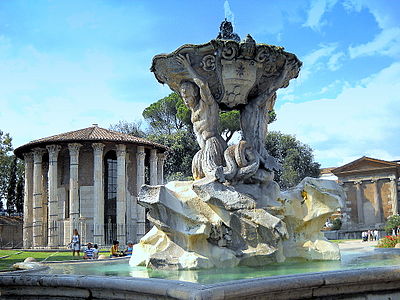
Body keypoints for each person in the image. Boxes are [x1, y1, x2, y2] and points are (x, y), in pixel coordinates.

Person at [176, 54, 227, 181]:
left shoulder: (207, 104)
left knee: (212, 178)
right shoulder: (193, 112)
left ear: (195, 93)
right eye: (184, 98)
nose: (186, 101)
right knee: (197, 176)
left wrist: (189, 68)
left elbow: (203, 84)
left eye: (188, 97)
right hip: (203, 150)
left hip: (212, 145)